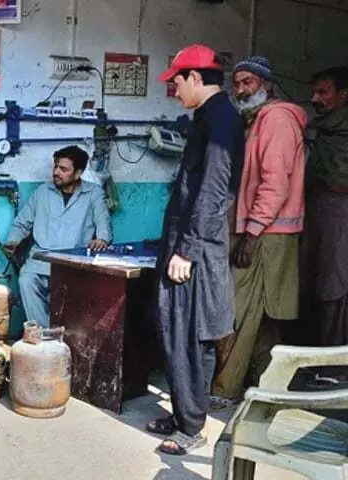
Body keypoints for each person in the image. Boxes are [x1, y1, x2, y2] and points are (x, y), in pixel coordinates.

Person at [147, 44, 244, 455]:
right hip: (189, 241)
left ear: (196, 78)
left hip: (195, 249)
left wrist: (185, 250)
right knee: (180, 331)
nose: (174, 92)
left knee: (186, 334)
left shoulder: (220, 121)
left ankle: (190, 427)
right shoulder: (209, 117)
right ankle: (185, 414)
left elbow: (213, 192)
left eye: (177, 83)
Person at [210, 57, 307, 407]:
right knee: (263, 317)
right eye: (236, 83)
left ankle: (227, 389)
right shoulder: (255, 119)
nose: (240, 90)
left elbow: (275, 184)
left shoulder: (277, 119)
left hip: (265, 232)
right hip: (261, 228)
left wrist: (251, 234)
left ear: (266, 84)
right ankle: (264, 387)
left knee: (241, 312)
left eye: (248, 82)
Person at [3, 145, 112, 328]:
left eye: (63, 169)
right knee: (26, 280)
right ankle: (44, 335)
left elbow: (104, 223)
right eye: (55, 167)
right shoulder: (42, 192)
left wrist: (102, 239)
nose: (56, 173)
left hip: (72, 263)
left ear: (78, 173)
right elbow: (21, 223)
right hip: (40, 259)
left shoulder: (93, 193)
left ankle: (57, 337)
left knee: (73, 300)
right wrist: (12, 241)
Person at [302, 66, 348, 347]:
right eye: (314, 92)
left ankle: (335, 360)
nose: (315, 99)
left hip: (339, 219)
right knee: (316, 283)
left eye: (323, 92)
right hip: (318, 216)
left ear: (343, 95)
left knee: (335, 286)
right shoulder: (323, 129)